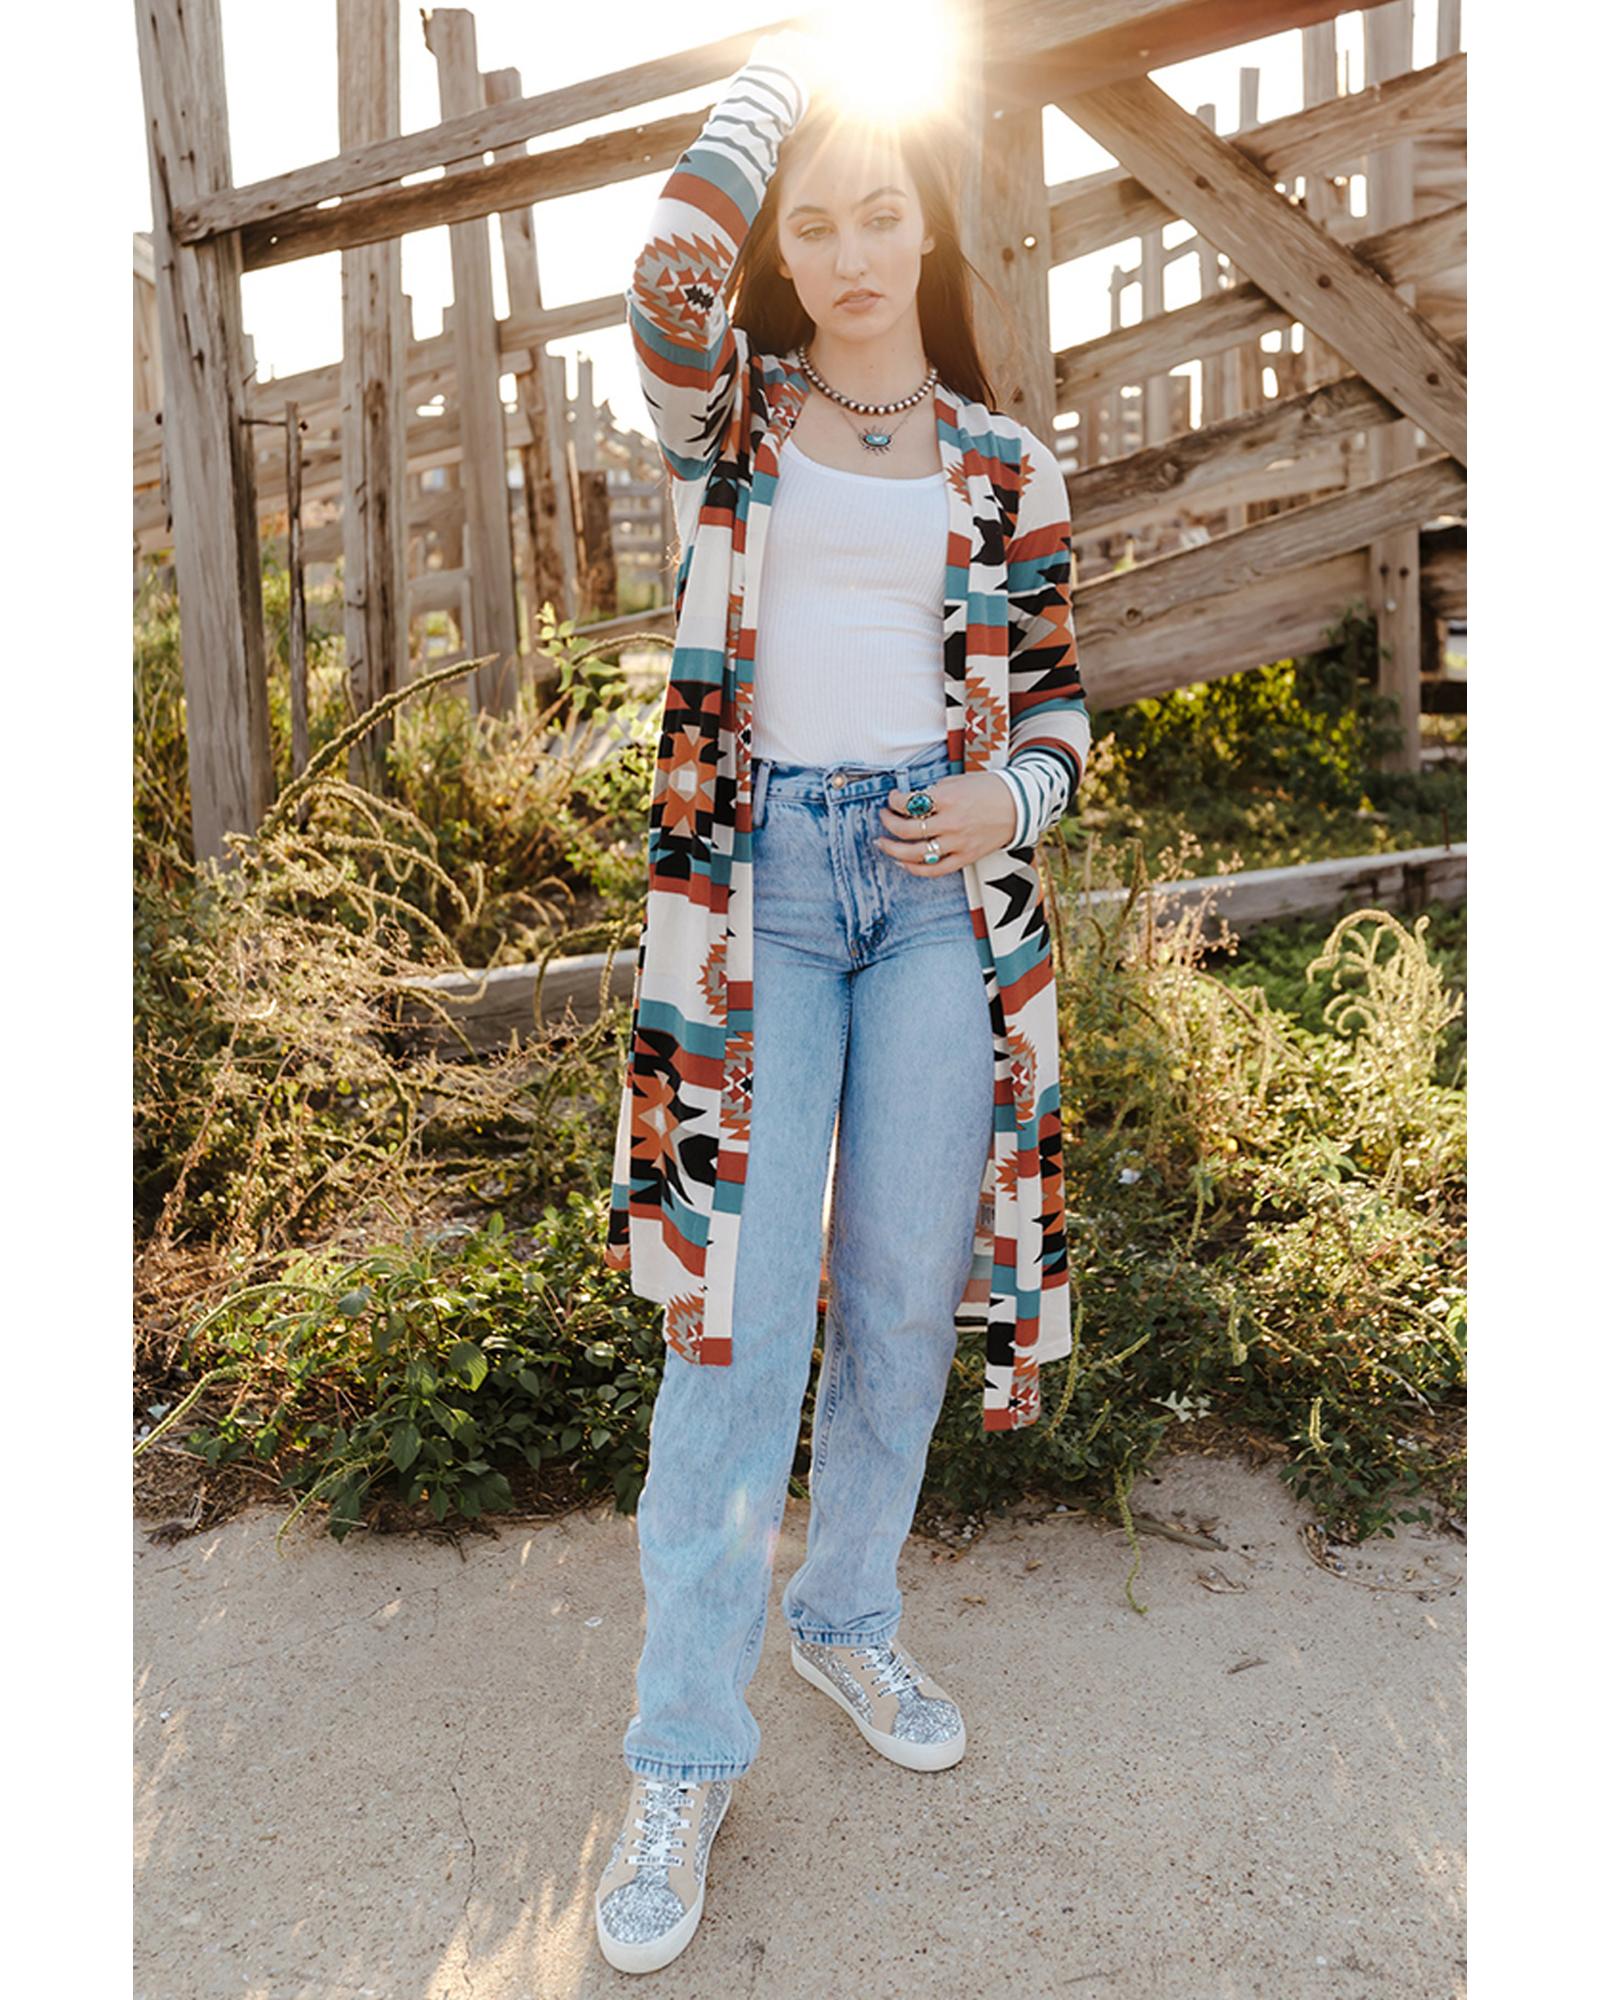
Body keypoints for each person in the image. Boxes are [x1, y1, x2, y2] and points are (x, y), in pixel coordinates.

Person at [592, 25, 1090, 1974]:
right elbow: (667, 277)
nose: (853, 250)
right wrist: (771, 97)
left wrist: (1004, 800)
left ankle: (845, 1618)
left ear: (926, 227)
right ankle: (680, 1747)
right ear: (783, 244)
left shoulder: (1007, 464)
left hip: (934, 902)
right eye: (817, 222)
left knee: (892, 1295)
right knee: (734, 1325)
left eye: (883, 213)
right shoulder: (732, 415)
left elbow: (1054, 709)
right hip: (760, 905)